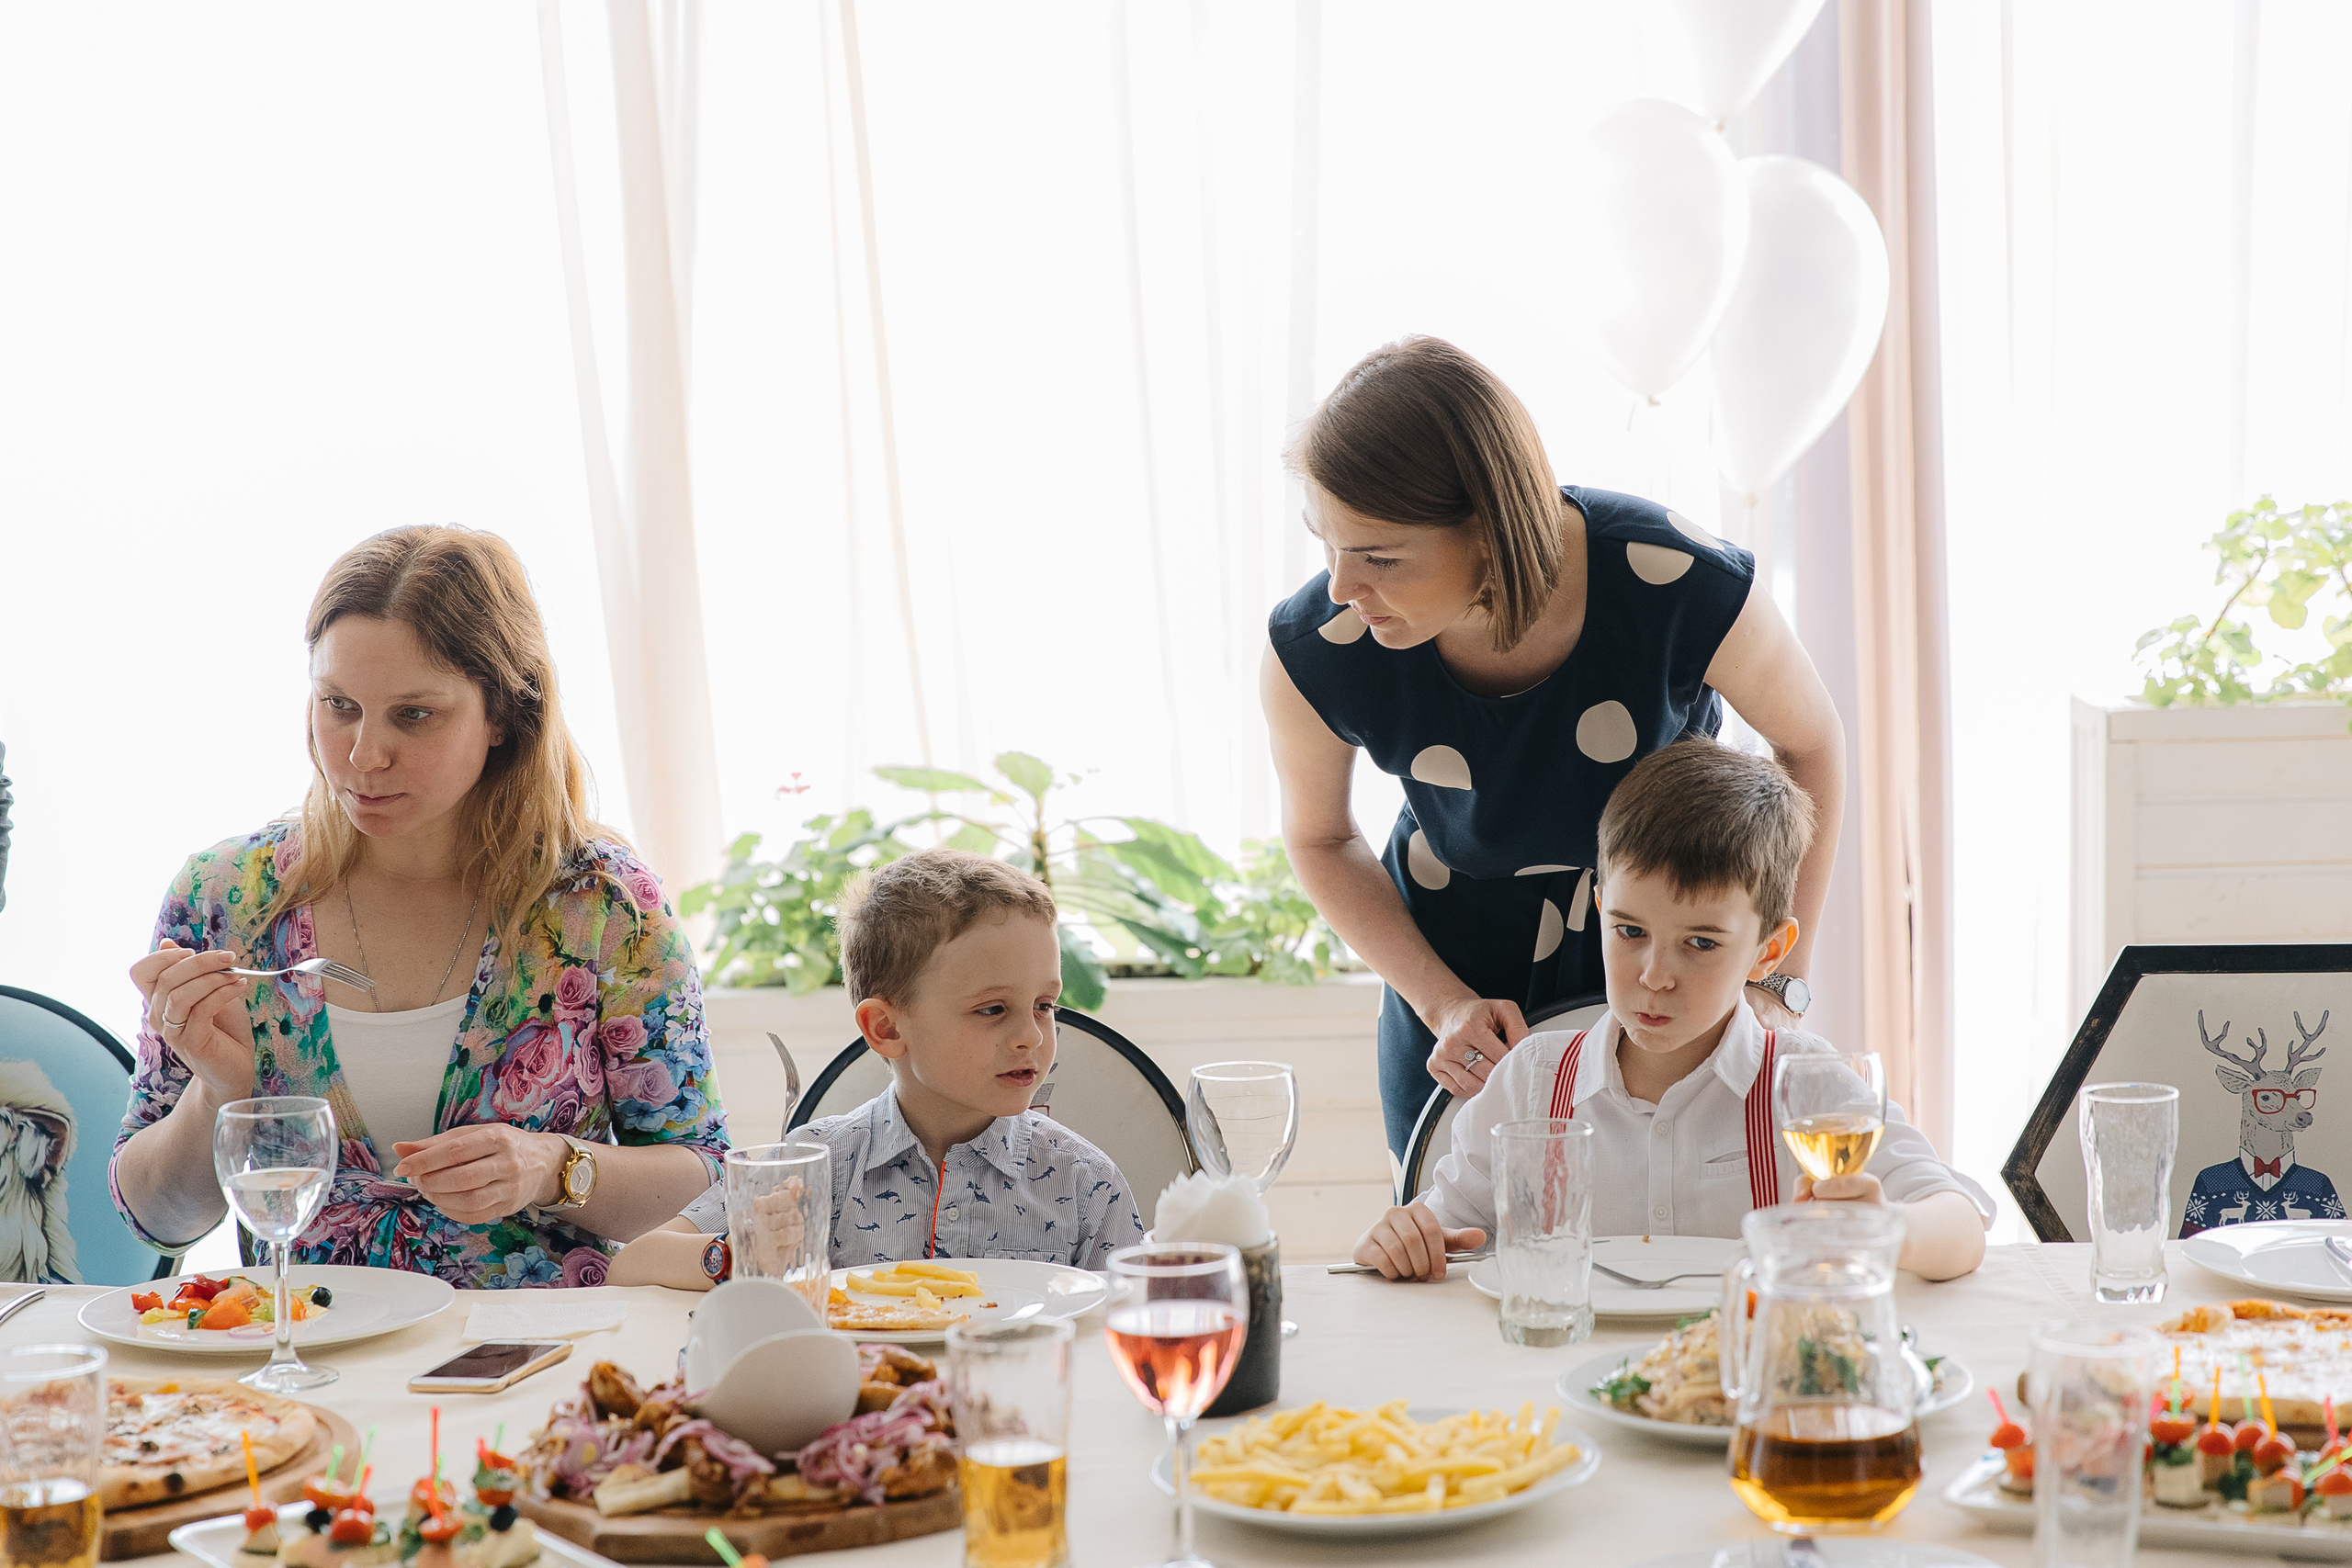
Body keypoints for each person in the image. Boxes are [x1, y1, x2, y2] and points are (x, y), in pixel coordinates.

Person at [1262, 336, 1847, 1160]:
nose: (1341, 587)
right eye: (1326, 544)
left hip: (1664, 961)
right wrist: (1442, 1002)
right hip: (1460, 996)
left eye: (1379, 557)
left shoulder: (1677, 582)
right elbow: (1320, 837)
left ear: (1491, 528)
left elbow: (1811, 743)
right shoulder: (1317, 647)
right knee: (1461, 1228)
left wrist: (1778, 981)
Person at [111, 526, 727, 1288]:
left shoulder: (603, 908)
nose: (364, 754)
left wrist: (553, 1166)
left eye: (414, 715)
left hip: (540, 1350)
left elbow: (705, 1178)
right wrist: (216, 1093)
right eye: (339, 705)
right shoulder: (225, 901)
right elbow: (158, 1219)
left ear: (502, 714)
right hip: (306, 1351)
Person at [1352, 739, 1989, 1282]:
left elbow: (1960, 1224)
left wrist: (1886, 1228)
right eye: (1630, 931)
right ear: (1602, 910)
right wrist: (1404, 1239)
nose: (1654, 976)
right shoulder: (1529, 1083)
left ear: (1768, 951)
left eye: (1701, 943)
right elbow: (1441, 1229)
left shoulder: (1806, 1087)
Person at [610, 850, 1143, 1288]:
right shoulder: (814, 1167)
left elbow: (1139, 1320)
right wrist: (742, 1253)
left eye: (1045, 1005)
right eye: (992, 1009)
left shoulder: (1085, 1180)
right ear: (885, 1028)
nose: (1032, 1035)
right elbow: (631, 1264)